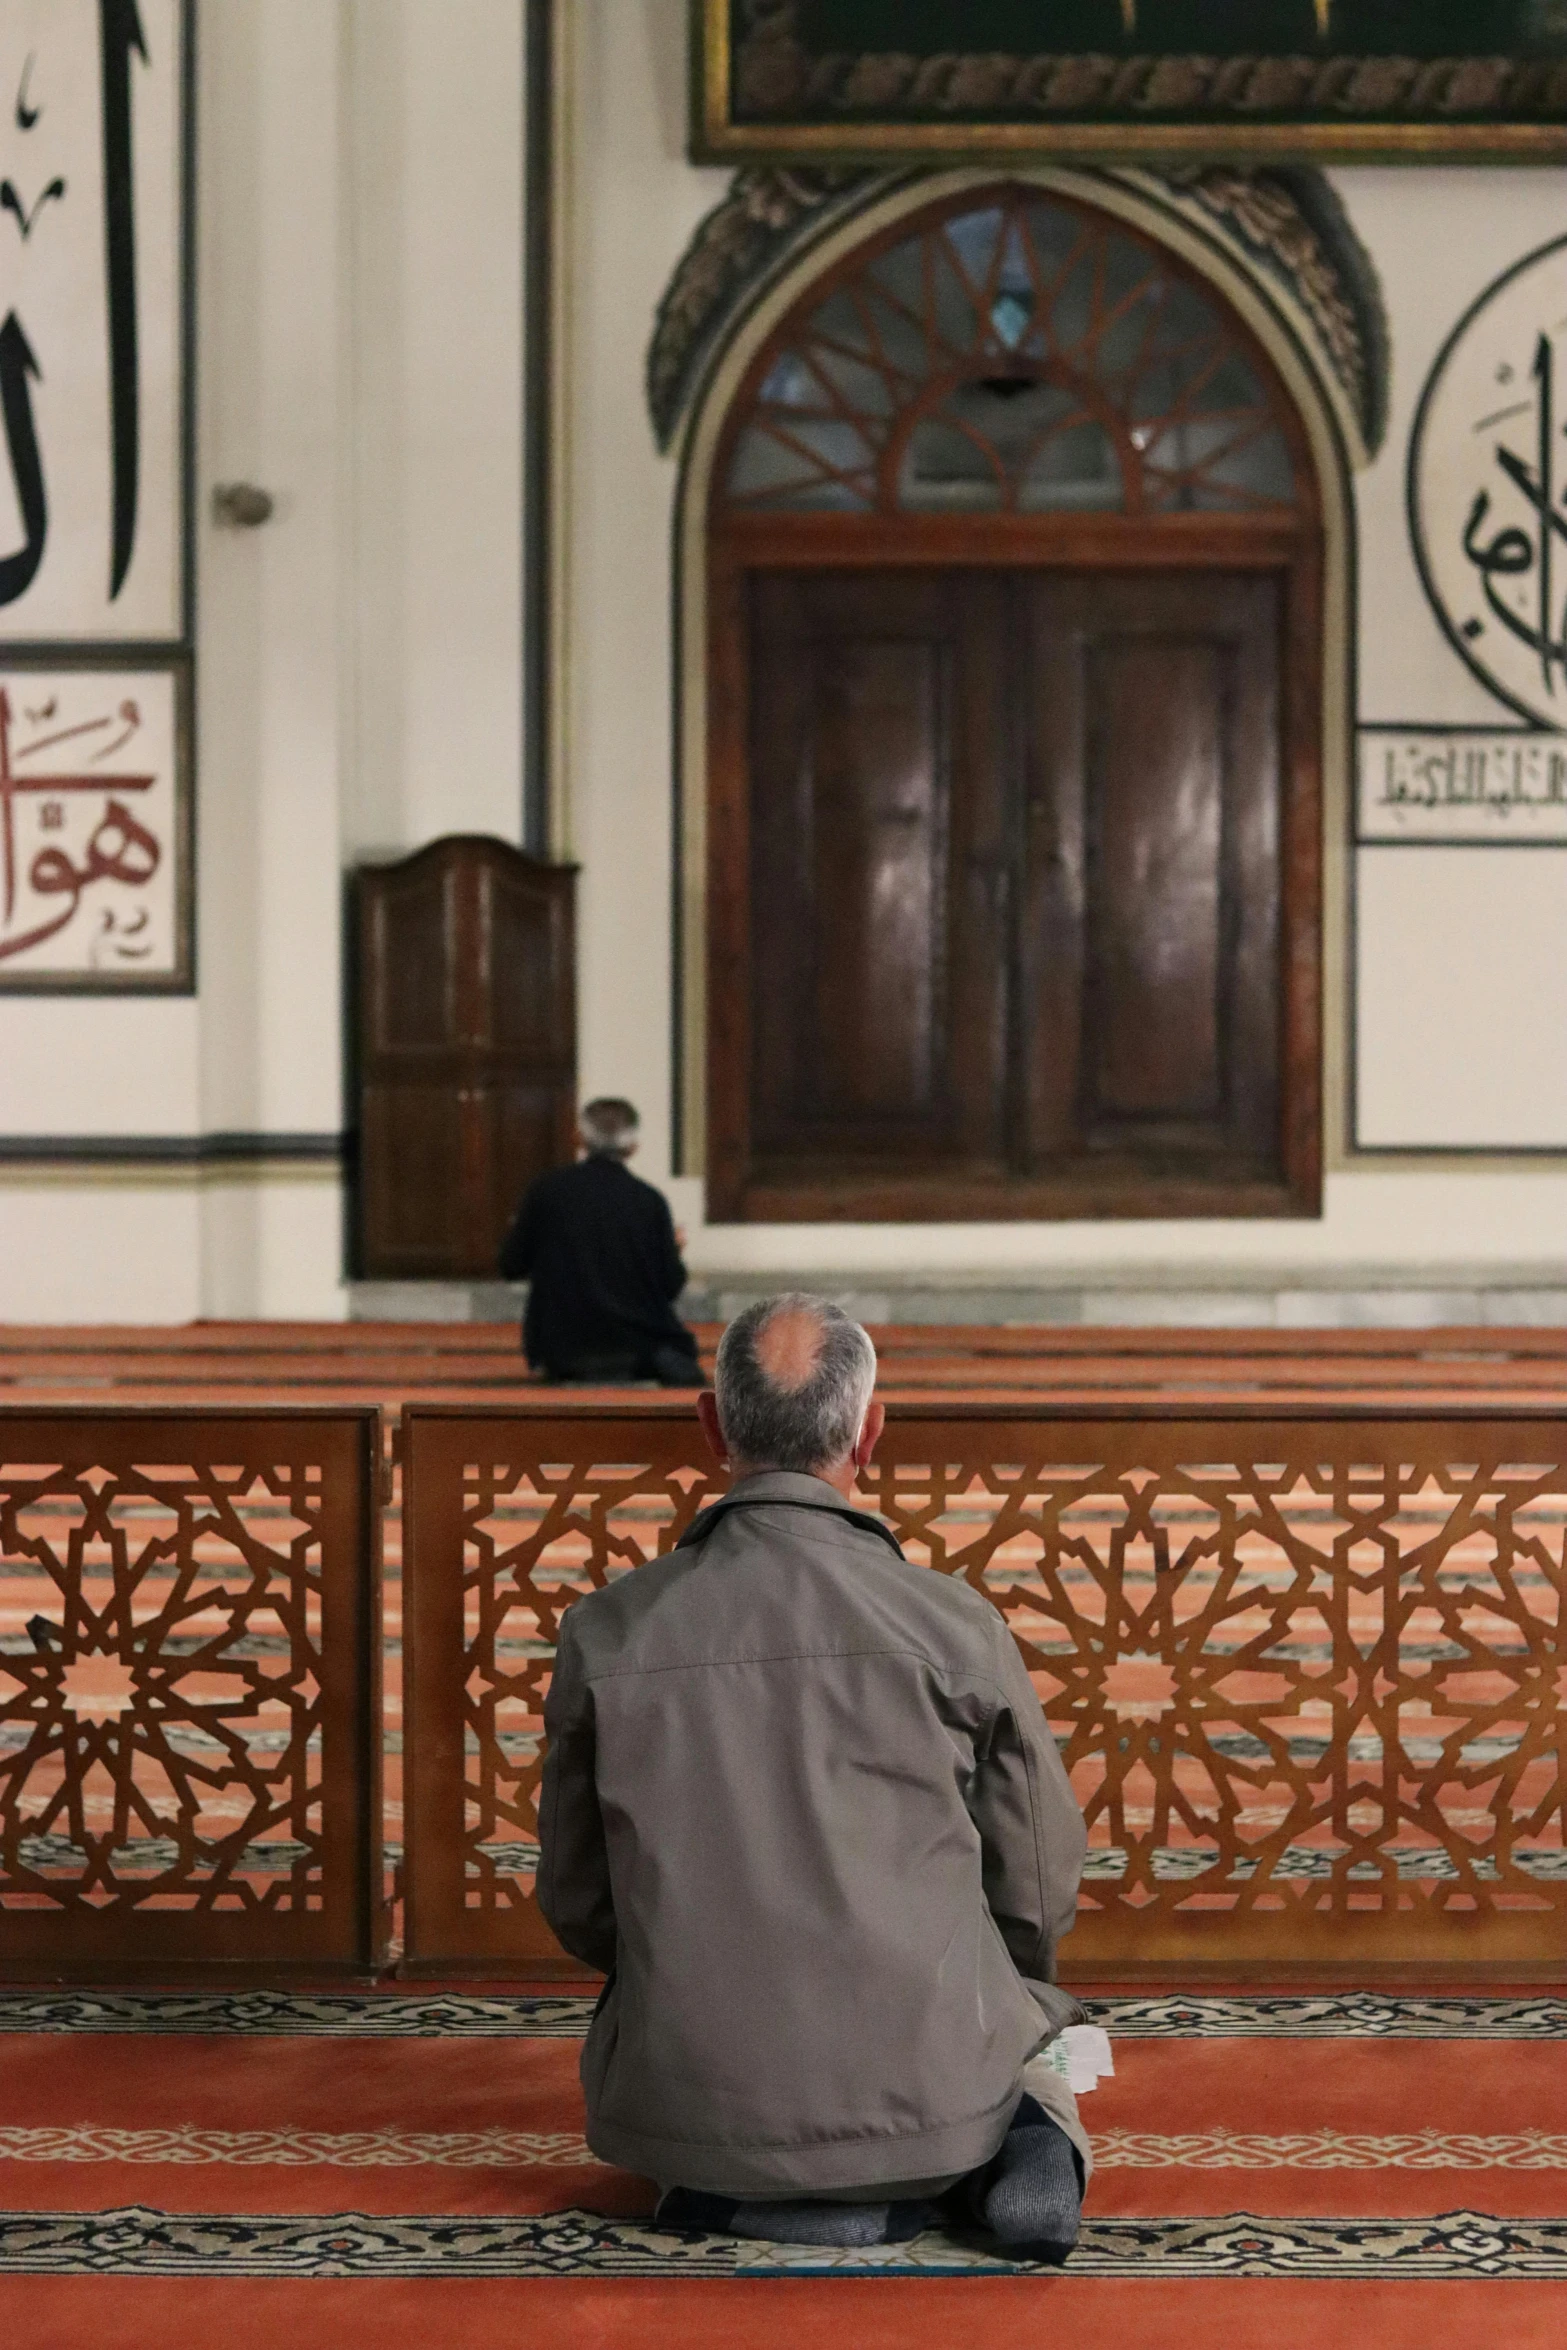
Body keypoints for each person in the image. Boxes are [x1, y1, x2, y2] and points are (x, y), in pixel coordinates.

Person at [537, 1293, 1091, 2260]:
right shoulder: (951, 1624)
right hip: (927, 2088)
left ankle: (732, 2184)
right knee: (1037, 2041)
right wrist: (991, 1988)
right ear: (869, 1434)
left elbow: (578, 1902)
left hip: (685, 2097)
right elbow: (1038, 1890)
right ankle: (1007, 2144)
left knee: (694, 2056)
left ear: (712, 1427)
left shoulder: (608, 1629)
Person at [497, 1097, 702, 1385]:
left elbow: (511, 1266)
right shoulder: (649, 1201)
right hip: (638, 1348)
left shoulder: (546, 1192)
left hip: (562, 1349)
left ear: (579, 1139)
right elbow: (669, 1286)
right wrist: (675, 1251)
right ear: (632, 1147)